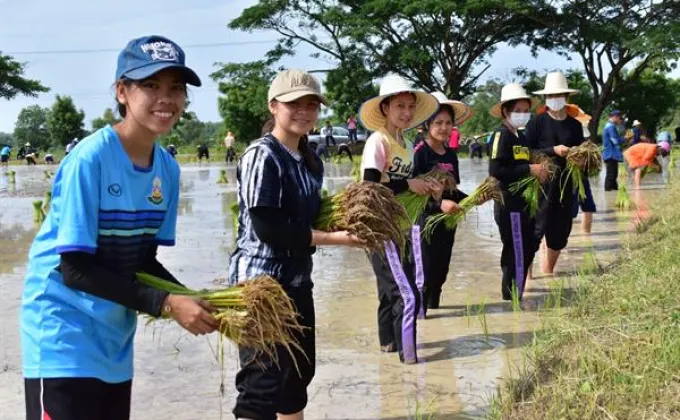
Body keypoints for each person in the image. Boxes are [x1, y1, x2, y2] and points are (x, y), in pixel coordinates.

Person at [19, 35, 216, 420]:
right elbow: (74, 269)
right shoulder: (89, 160)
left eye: (176, 88)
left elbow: (140, 261)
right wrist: (167, 303)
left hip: (113, 335)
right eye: (151, 85)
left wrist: (195, 299)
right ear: (122, 91)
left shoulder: (167, 170)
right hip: (62, 334)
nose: (166, 98)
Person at [229, 69, 362, 420]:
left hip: (298, 279)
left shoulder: (310, 159)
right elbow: (268, 227)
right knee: (261, 384)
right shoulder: (263, 155)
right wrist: (337, 239)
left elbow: (310, 217)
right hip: (260, 284)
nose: (304, 111)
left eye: (311, 104)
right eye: (294, 104)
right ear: (274, 106)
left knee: (298, 375)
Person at [359, 74, 439, 364]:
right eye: (399, 106)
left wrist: (424, 185)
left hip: (400, 226)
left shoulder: (403, 141)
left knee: (388, 292)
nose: (406, 113)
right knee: (405, 295)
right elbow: (369, 189)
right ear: (385, 108)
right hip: (380, 227)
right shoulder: (378, 142)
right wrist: (408, 185)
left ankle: (388, 351)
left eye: (410, 107)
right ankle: (410, 361)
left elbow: (403, 181)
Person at [488, 84, 547, 304]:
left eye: (526, 110)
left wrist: (537, 171)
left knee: (529, 244)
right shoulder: (500, 136)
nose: (523, 115)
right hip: (507, 203)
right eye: (518, 110)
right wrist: (528, 170)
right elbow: (496, 171)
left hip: (525, 202)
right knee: (514, 249)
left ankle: (517, 293)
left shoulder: (521, 138)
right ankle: (510, 296)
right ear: (505, 111)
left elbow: (525, 164)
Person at [413, 91, 471, 314]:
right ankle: (420, 319)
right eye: (438, 122)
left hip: (447, 222)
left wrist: (473, 198)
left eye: (448, 123)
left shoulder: (450, 154)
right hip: (425, 221)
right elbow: (413, 196)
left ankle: (435, 314)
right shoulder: (420, 153)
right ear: (427, 124)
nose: (444, 128)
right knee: (424, 272)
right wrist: (439, 205)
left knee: (441, 270)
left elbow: (452, 190)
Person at [526, 71, 584, 276]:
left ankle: (548, 273)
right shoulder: (536, 122)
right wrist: (553, 151)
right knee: (534, 230)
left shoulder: (575, 126)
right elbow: (526, 152)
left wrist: (579, 158)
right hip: (540, 184)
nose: (554, 99)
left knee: (559, 233)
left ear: (566, 98)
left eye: (558, 96)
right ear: (545, 98)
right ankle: (528, 278)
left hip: (565, 186)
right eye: (550, 96)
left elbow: (582, 152)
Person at [602, 110, 624, 191]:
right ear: (615, 117)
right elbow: (615, 141)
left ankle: (613, 195)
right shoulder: (611, 127)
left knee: (613, 176)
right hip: (610, 154)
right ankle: (608, 194)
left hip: (610, 154)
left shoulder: (609, 126)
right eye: (619, 118)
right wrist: (625, 139)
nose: (620, 120)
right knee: (611, 176)